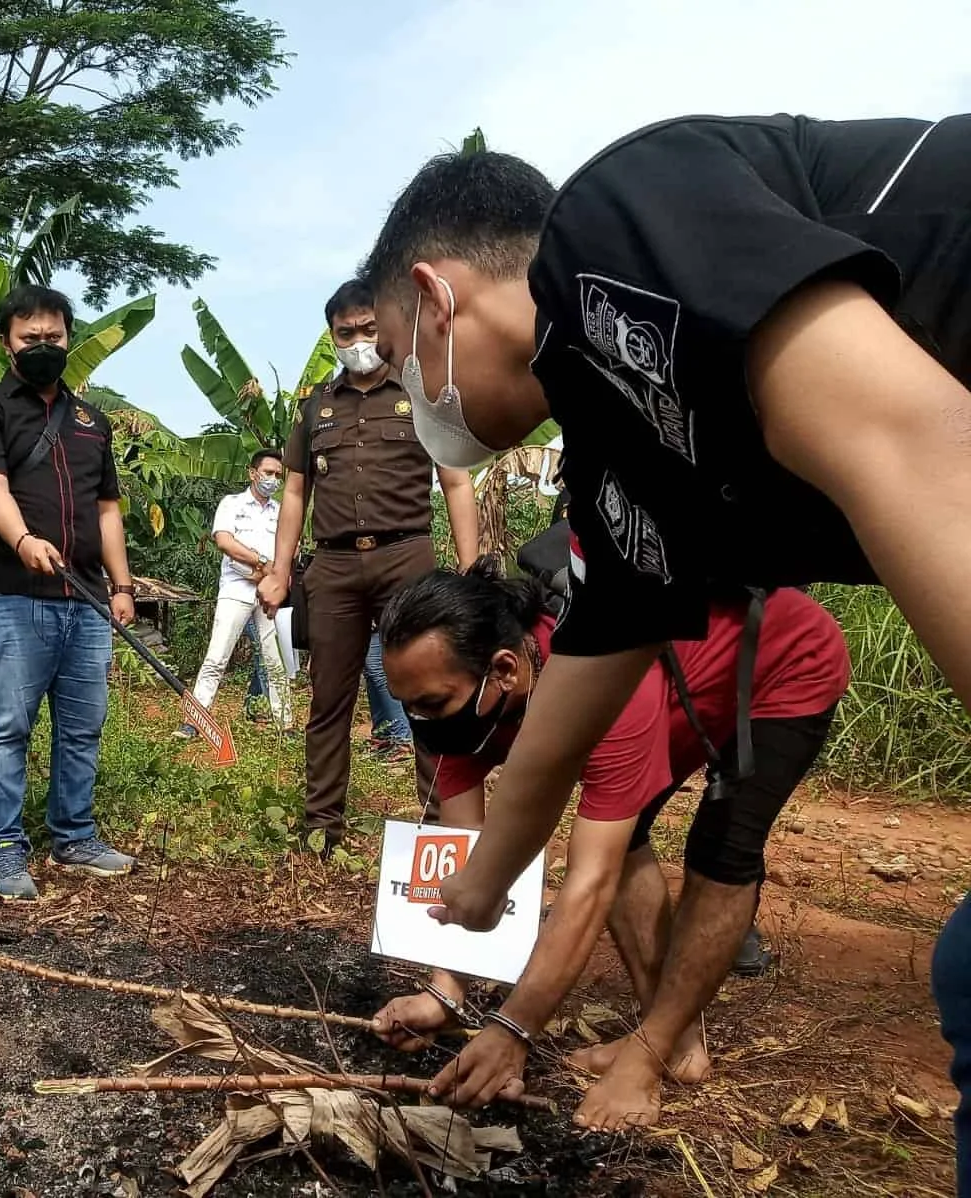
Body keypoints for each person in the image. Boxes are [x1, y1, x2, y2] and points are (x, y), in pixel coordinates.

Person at [360, 118, 971, 1145]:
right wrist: (480, 881)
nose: (409, 395)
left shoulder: (613, 222)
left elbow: (913, 443)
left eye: (394, 355)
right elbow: (592, 666)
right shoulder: (620, 454)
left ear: (434, 297)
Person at [365, 564, 848, 1129]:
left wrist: (514, 1028)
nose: (421, 723)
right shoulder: (458, 714)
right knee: (631, 832)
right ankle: (676, 1036)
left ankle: (653, 1052)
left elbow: (589, 881)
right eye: (410, 707)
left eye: (432, 704)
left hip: (777, 669)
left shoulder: (604, 682)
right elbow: (474, 862)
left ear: (504, 668)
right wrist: (445, 993)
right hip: (679, 685)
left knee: (721, 853)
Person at [257, 279, 478, 852]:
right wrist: (280, 571)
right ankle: (321, 829)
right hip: (331, 569)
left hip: (408, 558)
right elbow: (295, 494)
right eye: (345, 332)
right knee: (328, 700)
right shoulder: (317, 404)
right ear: (332, 336)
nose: (357, 340)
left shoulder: (423, 389)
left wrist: (472, 566)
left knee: (429, 695)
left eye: (367, 329)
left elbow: (455, 480)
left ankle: (438, 832)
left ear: (385, 327)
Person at [0, 283, 137, 901]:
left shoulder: (91, 421)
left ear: (68, 339)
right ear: (7, 343)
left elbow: (107, 509)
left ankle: (75, 834)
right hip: (12, 596)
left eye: (53, 337)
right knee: (7, 725)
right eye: (30, 338)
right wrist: (25, 540)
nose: (43, 347)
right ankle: (3, 848)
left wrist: (122, 585)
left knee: (83, 726)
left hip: (84, 601)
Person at [177, 449, 293, 739]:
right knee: (217, 657)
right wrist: (261, 563)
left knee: (275, 660)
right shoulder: (232, 504)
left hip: (269, 592)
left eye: (278, 475)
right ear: (252, 473)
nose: (273, 479)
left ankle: (285, 725)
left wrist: (270, 574)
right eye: (268, 473)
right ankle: (194, 721)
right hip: (236, 588)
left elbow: (291, 550)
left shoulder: (282, 512)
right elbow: (224, 541)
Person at [363, 633, 413, 762]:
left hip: (380, 619)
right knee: (372, 671)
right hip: (373, 621)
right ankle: (384, 736)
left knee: (377, 668)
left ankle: (400, 739)